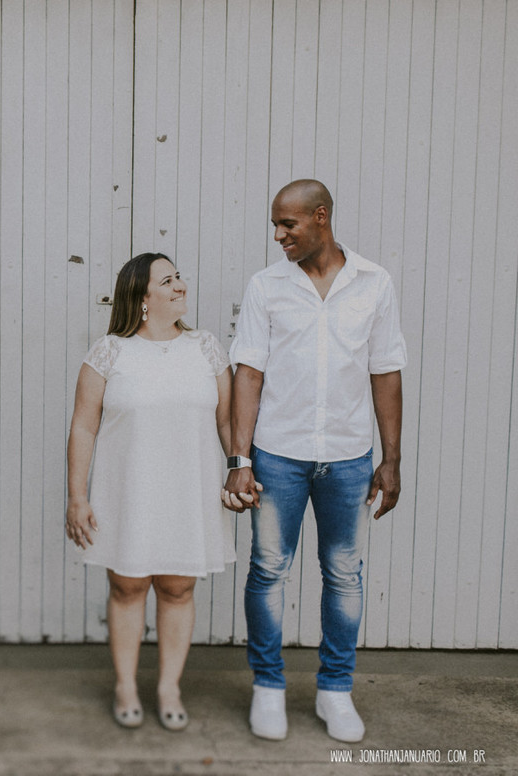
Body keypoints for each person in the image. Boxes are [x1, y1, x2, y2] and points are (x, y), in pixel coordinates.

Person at [222, 179, 406, 744]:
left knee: (344, 575)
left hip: (350, 458)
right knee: (268, 570)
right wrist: (239, 457)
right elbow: (247, 372)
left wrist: (392, 459)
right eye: (276, 225)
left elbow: (386, 371)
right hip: (278, 454)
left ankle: (334, 691)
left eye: (288, 225)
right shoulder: (266, 286)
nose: (279, 236)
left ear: (320, 217)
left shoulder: (373, 283)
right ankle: (269, 689)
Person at [65, 252, 237, 732]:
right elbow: (83, 427)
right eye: (168, 280)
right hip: (130, 489)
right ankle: (125, 684)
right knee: (127, 585)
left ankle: (168, 687)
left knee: (178, 586)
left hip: (190, 487)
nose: (181, 284)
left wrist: (239, 470)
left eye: (179, 276)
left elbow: (226, 421)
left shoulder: (206, 348)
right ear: (142, 298)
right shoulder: (109, 352)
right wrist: (77, 496)